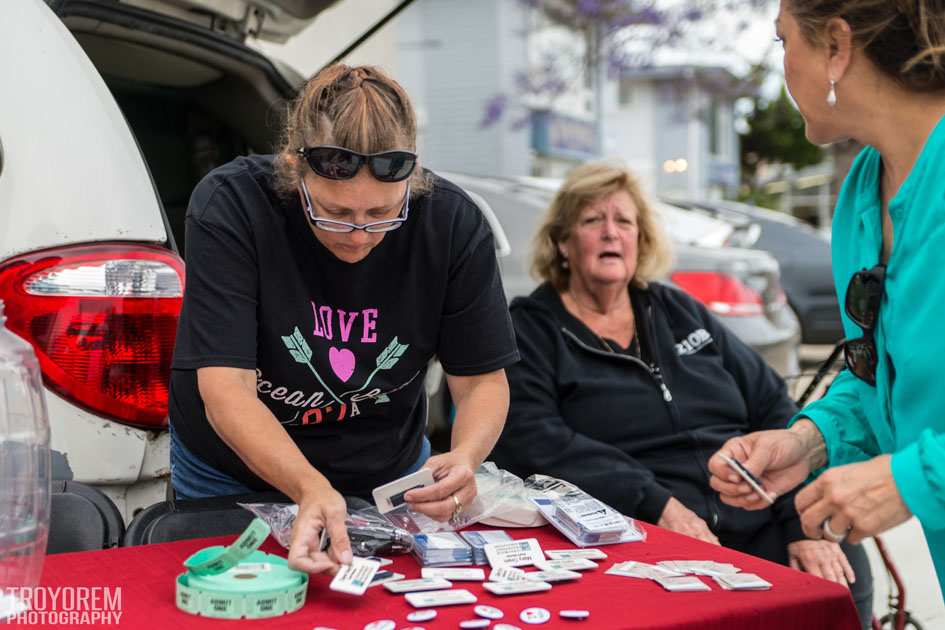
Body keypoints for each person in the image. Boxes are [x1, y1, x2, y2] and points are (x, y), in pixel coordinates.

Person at [168, 64, 519, 574]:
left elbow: (483, 379)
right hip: (234, 472)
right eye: (333, 213)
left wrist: (465, 457)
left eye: (381, 215)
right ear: (294, 170)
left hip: (387, 473)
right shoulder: (234, 205)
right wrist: (310, 487)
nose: (358, 235)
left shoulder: (452, 223)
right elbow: (227, 389)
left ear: (413, 180)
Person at [490, 162, 873, 626]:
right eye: (593, 221)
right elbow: (532, 438)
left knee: (839, 568)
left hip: (756, 508)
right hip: (640, 525)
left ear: (641, 240)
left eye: (624, 221)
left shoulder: (677, 309)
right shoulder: (533, 327)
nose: (611, 233)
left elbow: (772, 403)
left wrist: (798, 520)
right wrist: (653, 502)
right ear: (563, 243)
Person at [708, 0, 945, 599]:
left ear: (837, 46)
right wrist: (808, 441)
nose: (783, 65)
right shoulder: (862, 193)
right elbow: (880, 379)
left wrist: (913, 480)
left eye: (784, 41)